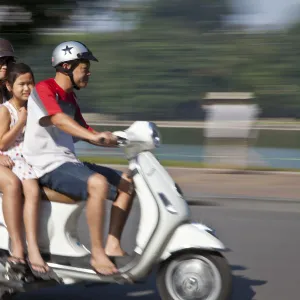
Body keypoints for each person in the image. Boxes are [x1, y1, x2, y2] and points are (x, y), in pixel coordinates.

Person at [23, 41, 134, 276]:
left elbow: (87, 132)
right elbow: (59, 120)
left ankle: (112, 244)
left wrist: (116, 138)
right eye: (84, 68)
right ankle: (97, 253)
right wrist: (95, 137)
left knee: (126, 182)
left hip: (67, 162)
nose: (88, 73)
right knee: (98, 183)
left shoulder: (71, 99)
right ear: (66, 66)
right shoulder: (44, 89)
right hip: (46, 165)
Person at [0, 63, 56, 279]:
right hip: (13, 157)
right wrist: (20, 122)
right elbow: (3, 143)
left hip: (28, 158)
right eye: (22, 84)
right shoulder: (6, 110)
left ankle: (33, 245)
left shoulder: (34, 107)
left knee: (33, 191)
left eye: (30, 83)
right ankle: (20, 247)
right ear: (9, 86)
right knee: (20, 188)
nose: (27, 88)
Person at [0, 39, 26, 272]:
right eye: (0, 61)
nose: (5, 66)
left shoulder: (10, 90)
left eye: (8, 61)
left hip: (9, 152)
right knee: (11, 182)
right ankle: (17, 246)